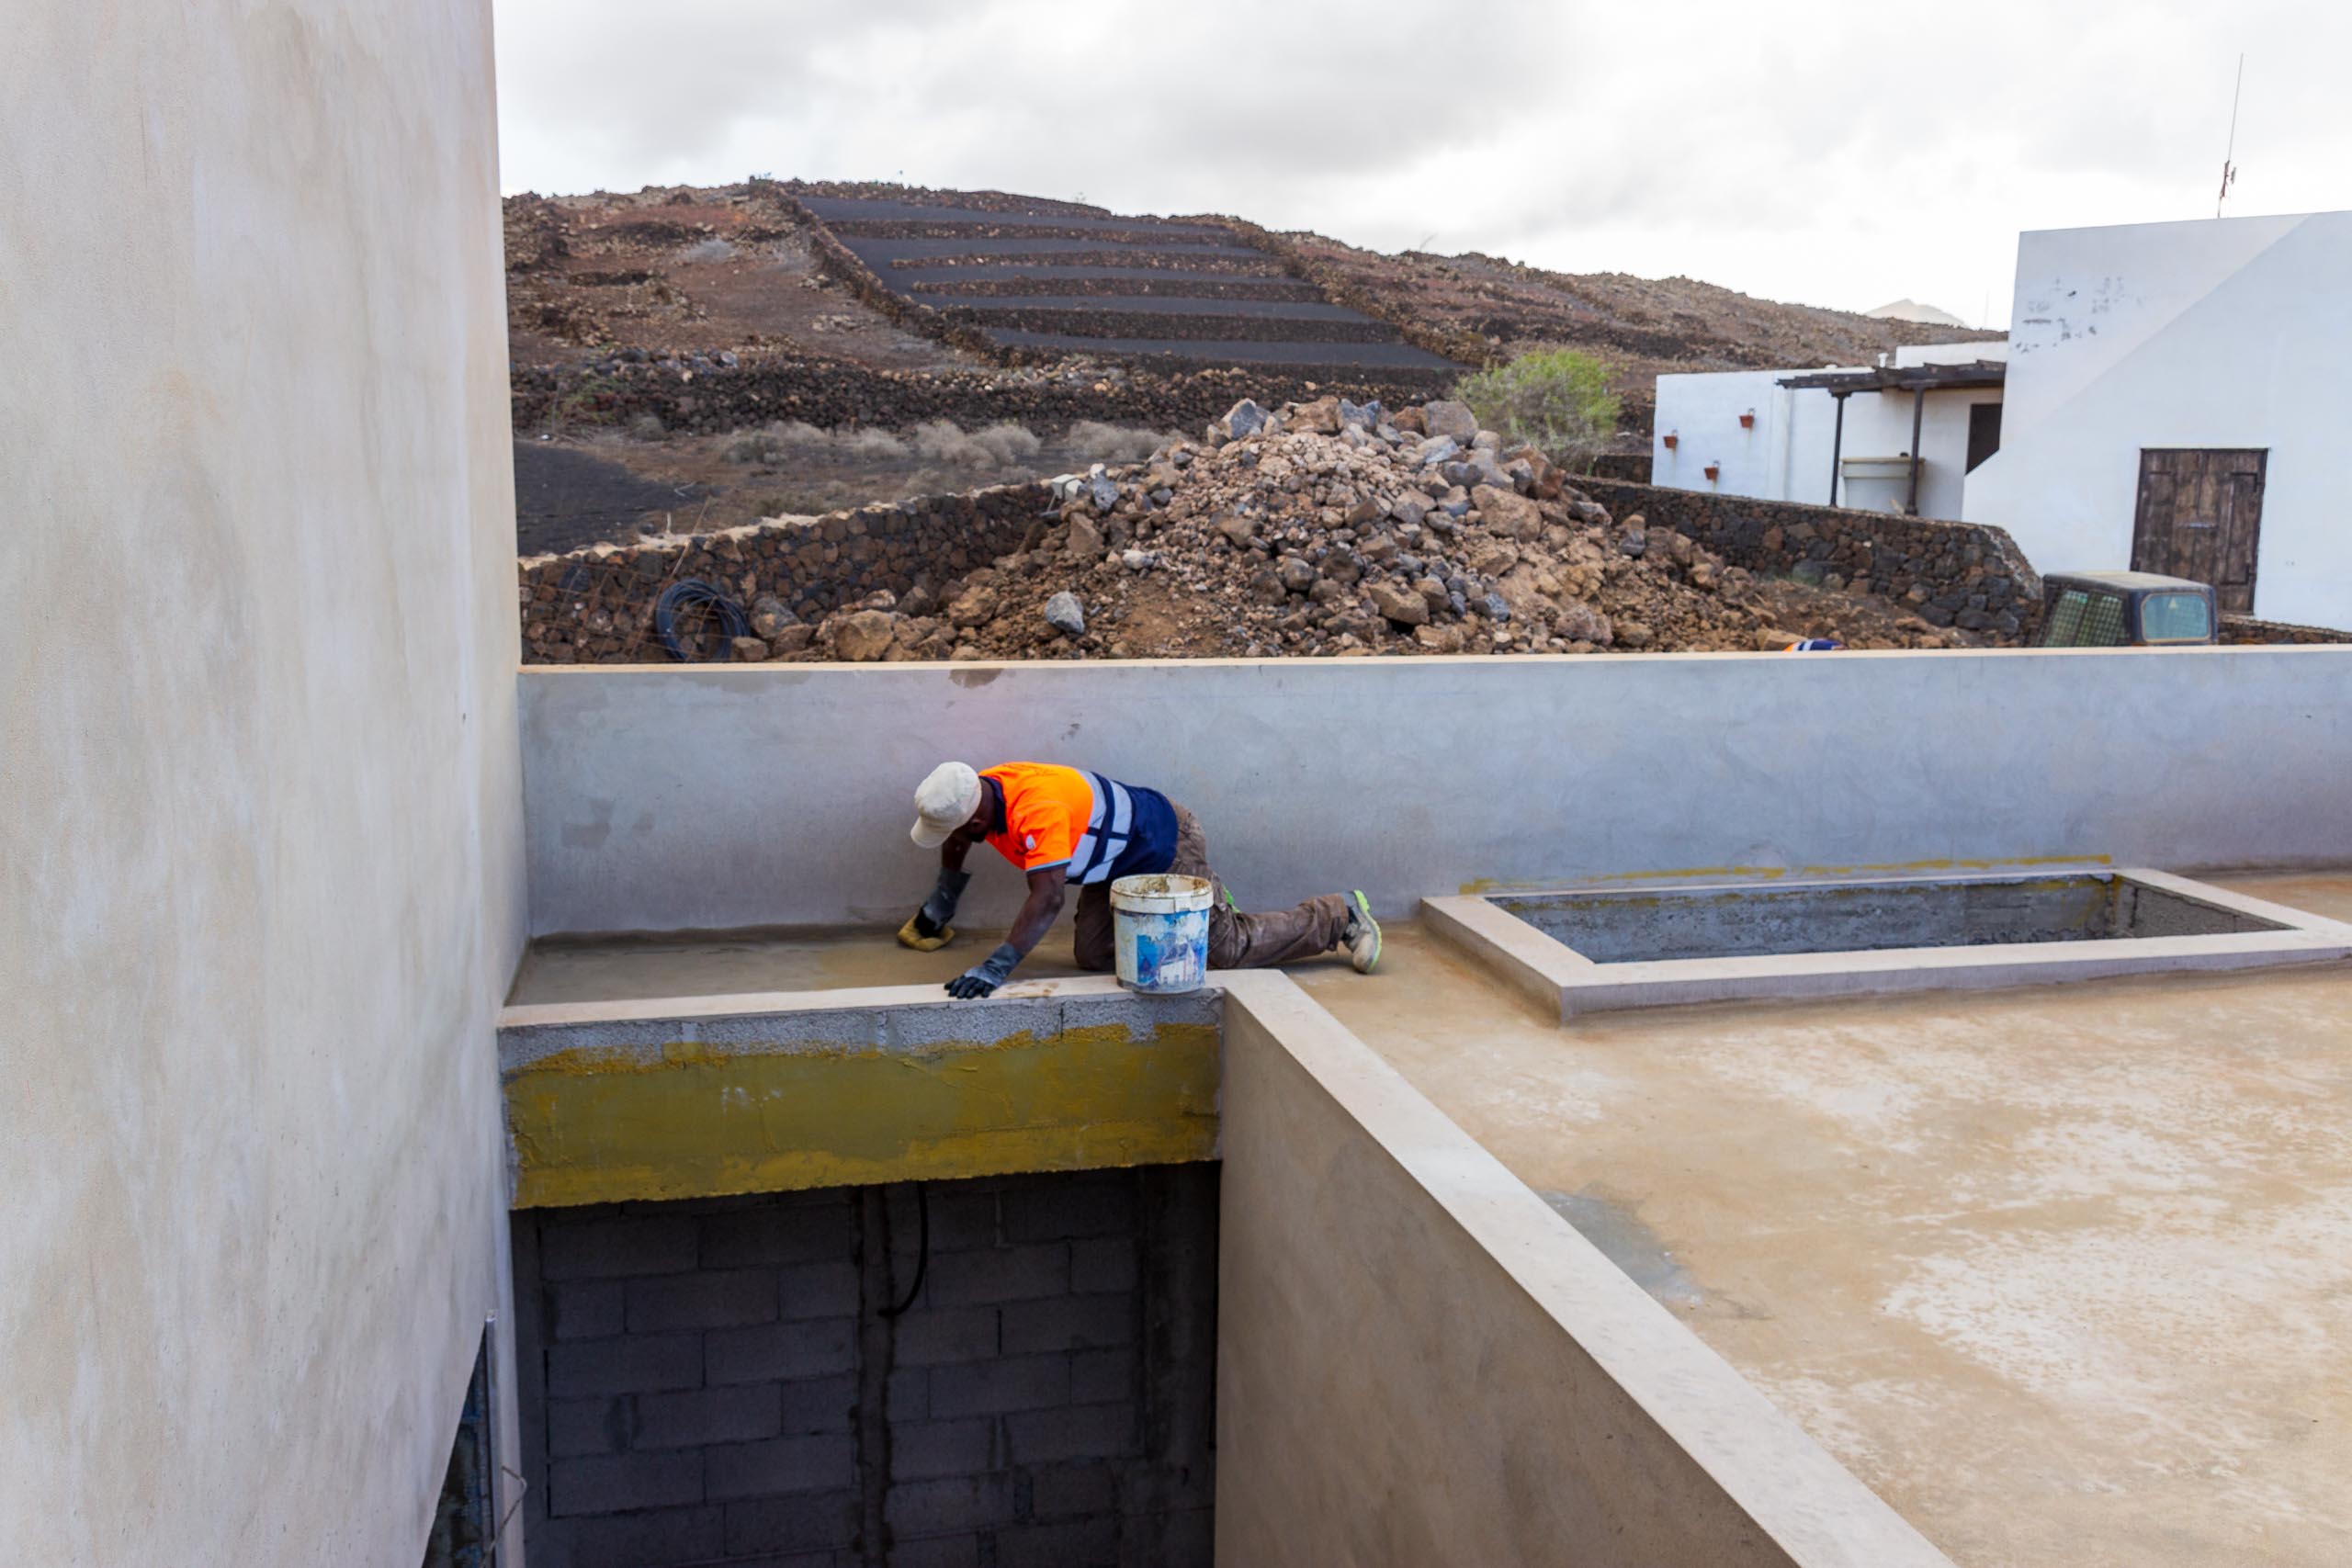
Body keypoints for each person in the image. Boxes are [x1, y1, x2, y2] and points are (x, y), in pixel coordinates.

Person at [899, 761, 1380, 998]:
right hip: (1116, 862)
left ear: (976, 820)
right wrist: (940, 902)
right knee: (1094, 956)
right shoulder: (980, 788)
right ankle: (1210, 905)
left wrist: (997, 967)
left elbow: (1046, 901)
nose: (956, 837)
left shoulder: (1035, 812)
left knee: (1225, 950)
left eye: (958, 829)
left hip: (1167, 845)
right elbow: (956, 840)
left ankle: (1338, 915)